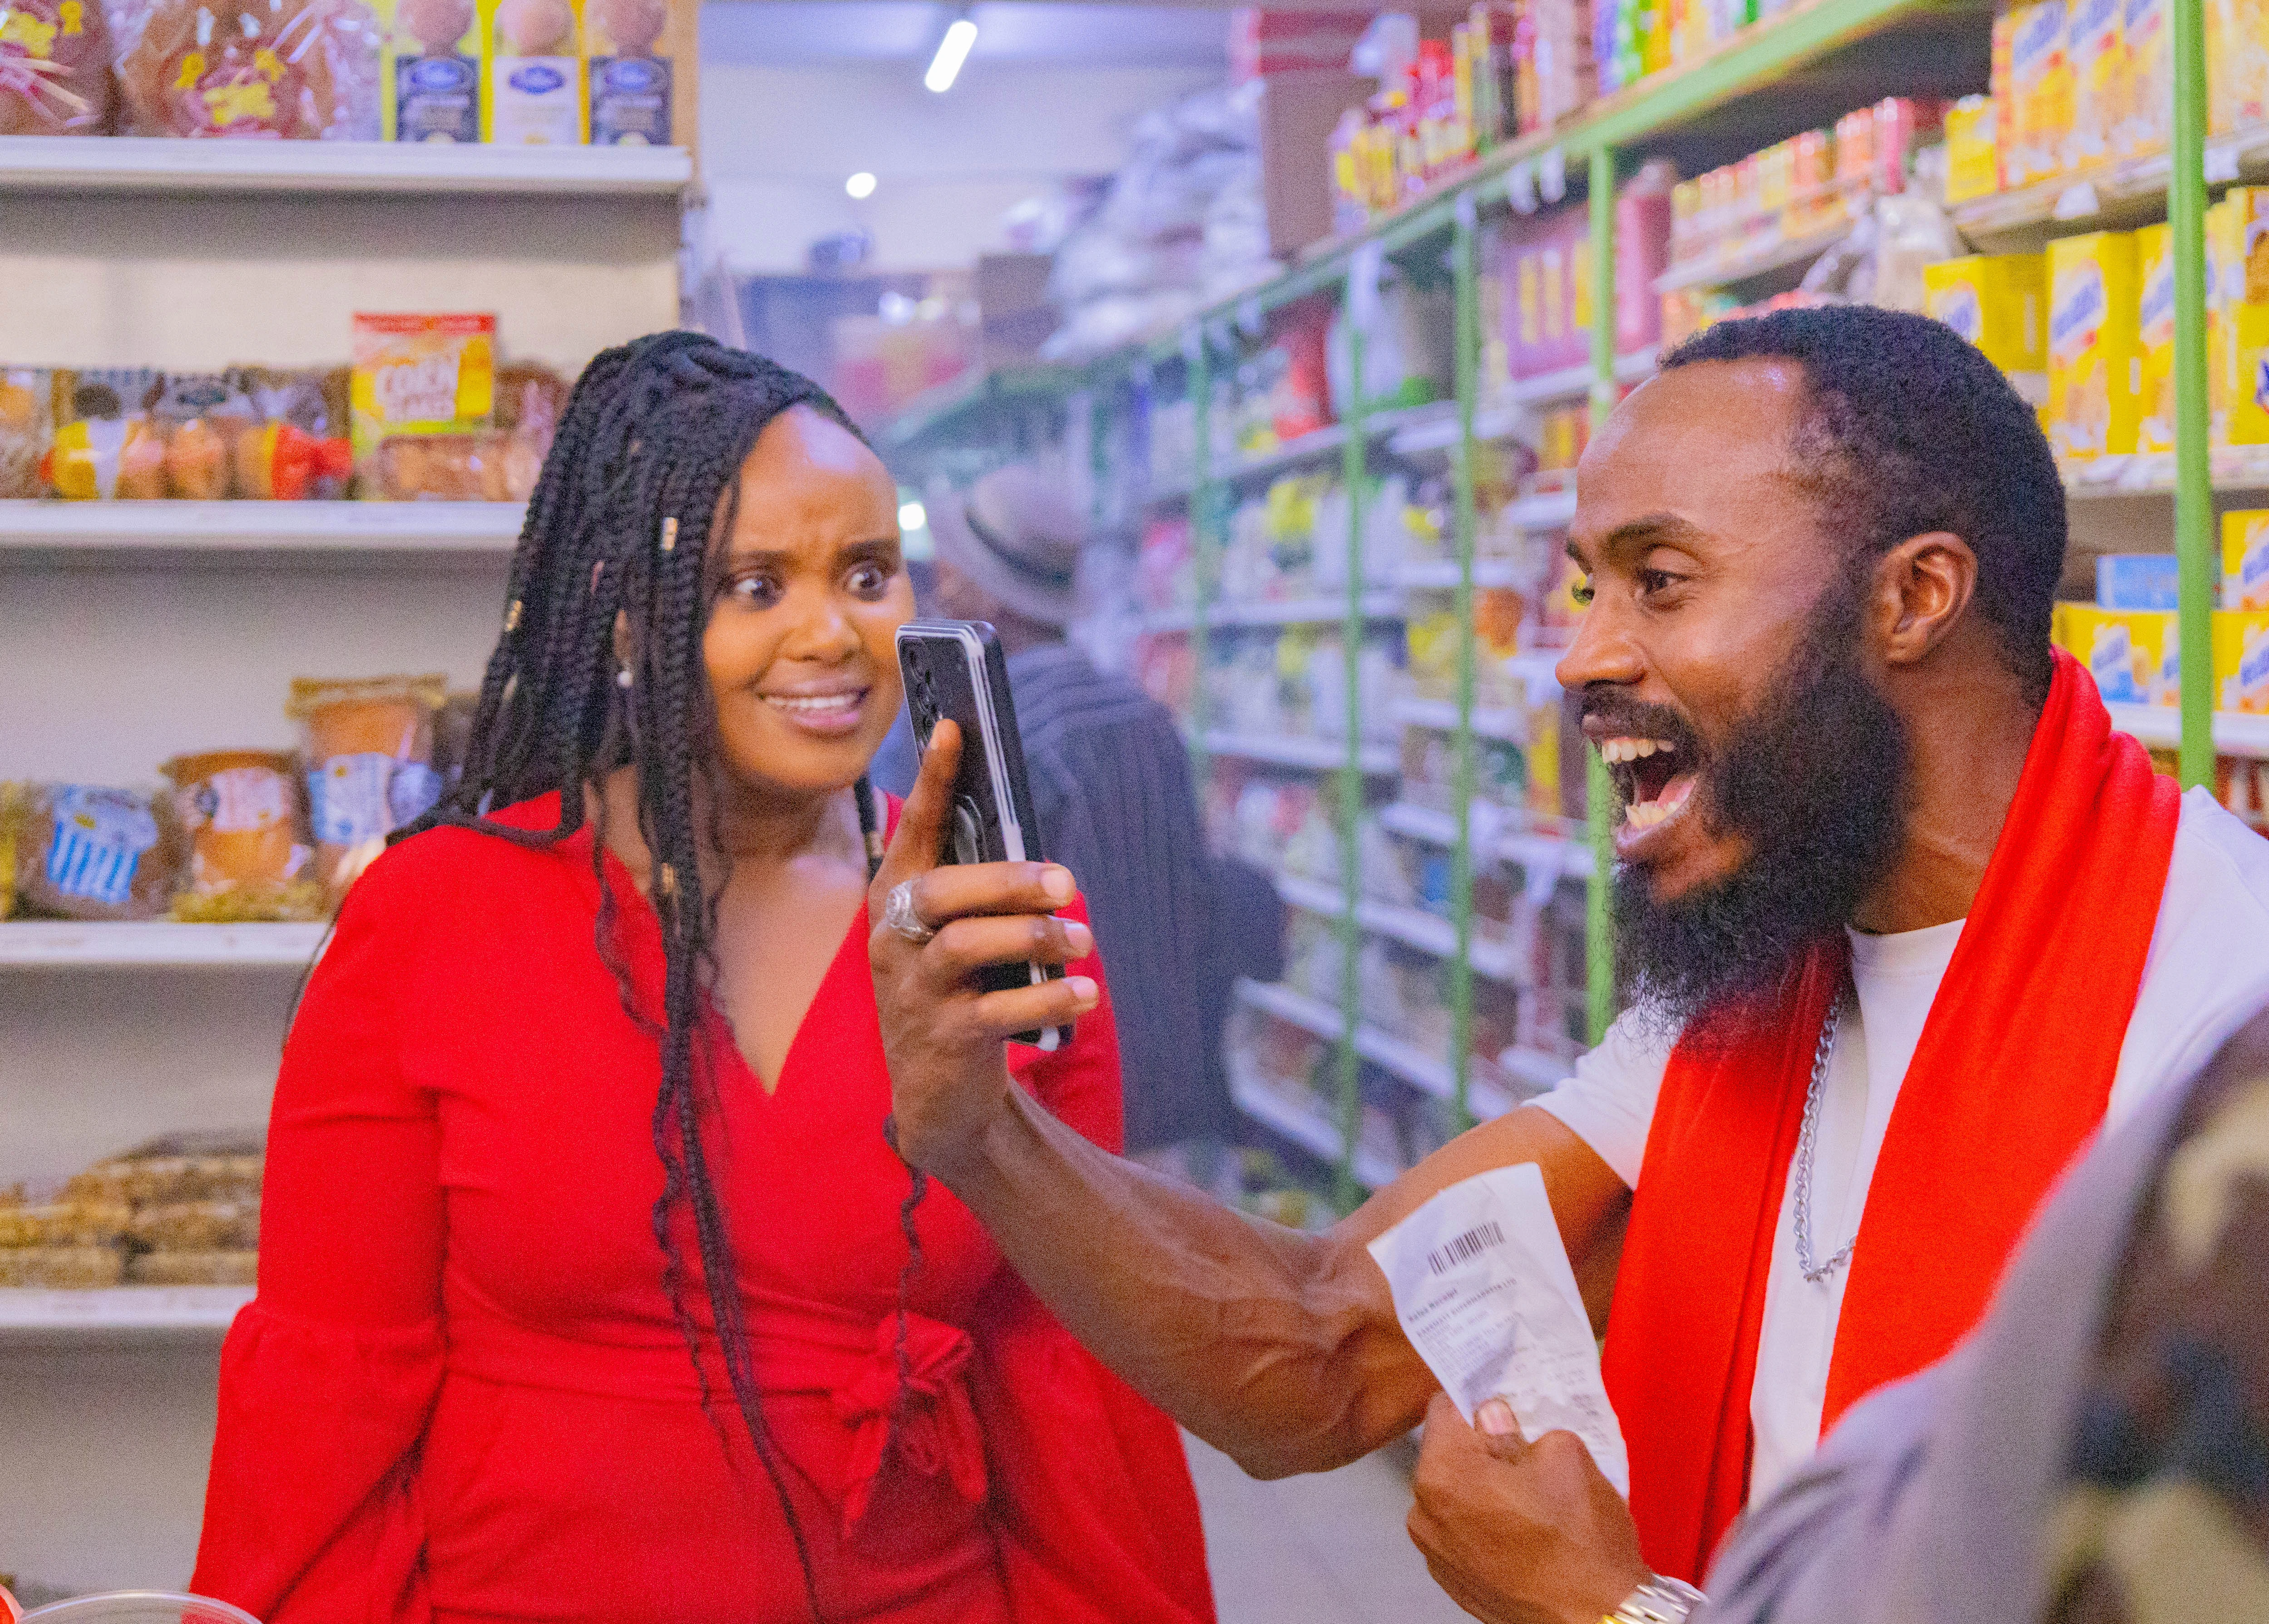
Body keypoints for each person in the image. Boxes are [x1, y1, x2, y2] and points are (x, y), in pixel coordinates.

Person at [862, 306, 2269, 1621]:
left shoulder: (2221, 1015)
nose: (1581, 656)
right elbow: (1320, 1350)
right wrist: (983, 1133)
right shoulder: (1752, 992)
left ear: (1912, 599)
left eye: (1658, 583)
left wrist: (1619, 1610)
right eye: (1586, 587)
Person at [189, 334, 1216, 1624]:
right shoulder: (435, 918)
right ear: (631, 613)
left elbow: (1064, 1382)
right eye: (752, 585)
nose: (831, 634)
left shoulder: (986, 930)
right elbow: (333, 1389)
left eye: (864, 572)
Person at [1408, 1000, 2269, 1623]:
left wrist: (1605, 1605)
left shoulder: (2210, 980)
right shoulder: (1728, 995)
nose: (1586, 737)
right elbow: (1332, 1318)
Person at [873, 463, 1249, 1160]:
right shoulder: (1146, 718)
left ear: (984, 589)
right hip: (1181, 1089)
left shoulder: (969, 742)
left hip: (1065, 1107)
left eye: (956, 568)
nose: (942, 581)